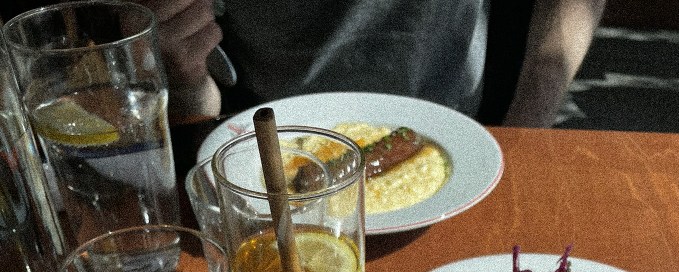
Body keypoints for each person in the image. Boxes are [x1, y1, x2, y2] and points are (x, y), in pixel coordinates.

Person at [140, 0, 606, 127]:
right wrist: (184, 83)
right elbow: (188, 80)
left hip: (460, 131)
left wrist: (525, 129)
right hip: (262, 141)